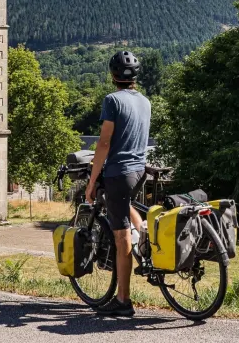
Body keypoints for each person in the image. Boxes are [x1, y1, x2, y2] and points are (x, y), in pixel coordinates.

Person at [85, 50, 151, 317]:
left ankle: (123, 300)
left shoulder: (112, 100)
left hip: (118, 173)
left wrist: (92, 182)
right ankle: (145, 241)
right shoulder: (145, 101)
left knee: (120, 234)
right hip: (139, 171)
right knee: (124, 206)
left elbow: (104, 143)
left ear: (112, 75)